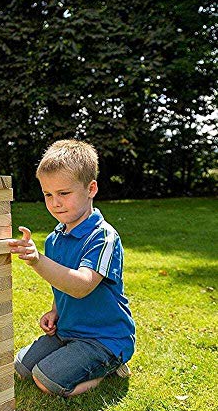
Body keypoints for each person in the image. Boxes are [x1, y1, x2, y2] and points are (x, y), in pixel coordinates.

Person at [9, 139, 135, 397]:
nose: (55, 203)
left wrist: (37, 260)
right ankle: (74, 358)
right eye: (48, 194)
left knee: (46, 380)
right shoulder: (55, 238)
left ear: (91, 188)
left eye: (64, 193)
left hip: (103, 339)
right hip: (67, 331)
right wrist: (55, 311)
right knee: (22, 367)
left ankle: (109, 367)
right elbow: (62, 286)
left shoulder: (103, 237)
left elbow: (81, 285)